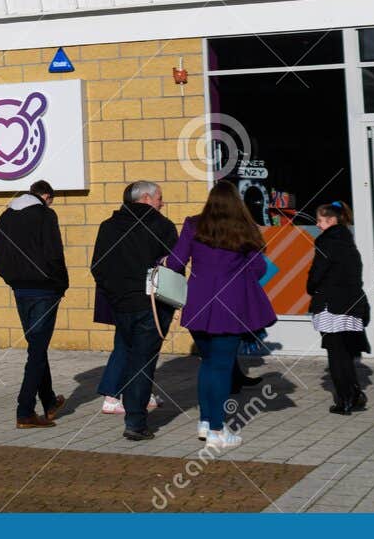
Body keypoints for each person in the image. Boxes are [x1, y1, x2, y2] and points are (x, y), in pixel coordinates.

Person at [166, 182, 277, 451]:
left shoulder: (193, 225)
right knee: (221, 367)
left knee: (207, 363)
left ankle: (205, 422)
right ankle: (217, 430)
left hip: (197, 303)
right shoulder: (244, 228)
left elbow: (176, 263)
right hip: (231, 306)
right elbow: (259, 269)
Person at [91, 181, 178, 441]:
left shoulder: (108, 226)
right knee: (142, 363)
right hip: (151, 305)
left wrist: (115, 295)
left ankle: (131, 411)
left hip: (121, 305)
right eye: (159, 198)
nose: (162, 203)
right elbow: (174, 267)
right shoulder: (162, 226)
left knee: (130, 355)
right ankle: (135, 422)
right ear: (147, 198)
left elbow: (98, 266)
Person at [0, 179, 69, 428]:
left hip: (20, 289)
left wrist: (12, 278)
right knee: (36, 350)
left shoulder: (6, 216)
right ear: (46, 197)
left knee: (37, 345)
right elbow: (55, 253)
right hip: (45, 290)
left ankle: (49, 401)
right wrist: (61, 284)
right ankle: (25, 410)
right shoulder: (46, 216)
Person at [307, 200, 371, 414]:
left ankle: (345, 400)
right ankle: (355, 394)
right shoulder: (349, 242)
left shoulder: (326, 242)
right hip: (351, 304)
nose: (318, 225)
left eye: (320, 220)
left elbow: (317, 273)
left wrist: (311, 287)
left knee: (335, 354)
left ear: (332, 220)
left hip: (331, 304)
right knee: (346, 352)